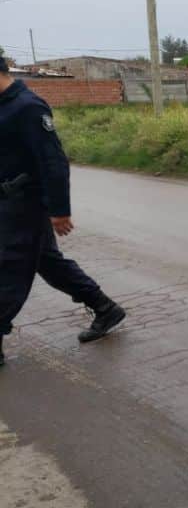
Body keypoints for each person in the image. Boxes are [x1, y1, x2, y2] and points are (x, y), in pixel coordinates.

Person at [0, 57, 126, 366]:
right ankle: (104, 307)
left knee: (9, 267)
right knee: (48, 261)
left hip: (25, 204)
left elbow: (53, 162)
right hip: (8, 204)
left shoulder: (28, 107)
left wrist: (59, 210)